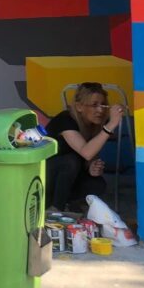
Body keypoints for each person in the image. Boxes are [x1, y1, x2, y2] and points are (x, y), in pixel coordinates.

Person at [44, 82, 122, 212]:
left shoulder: (93, 124)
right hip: (44, 176)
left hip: (66, 178)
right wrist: (111, 125)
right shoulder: (65, 120)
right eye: (94, 105)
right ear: (79, 106)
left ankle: (68, 204)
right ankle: (56, 209)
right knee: (71, 161)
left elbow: (89, 157)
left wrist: (91, 166)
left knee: (97, 184)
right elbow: (86, 152)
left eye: (103, 105)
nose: (100, 110)